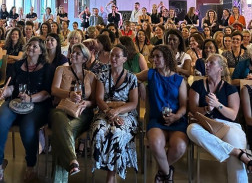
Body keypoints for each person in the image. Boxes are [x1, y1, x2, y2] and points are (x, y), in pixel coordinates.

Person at [0, 37, 52, 182]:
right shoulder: (17, 65)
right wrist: (2, 92)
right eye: (30, 45)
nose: (31, 48)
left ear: (41, 51)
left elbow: (46, 93)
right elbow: (11, 86)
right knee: (0, 121)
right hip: (16, 102)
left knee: (27, 126)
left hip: (38, 104)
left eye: (35, 46)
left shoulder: (47, 68)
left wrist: (30, 98)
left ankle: (31, 165)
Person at [187, 54, 250, 182]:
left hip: (228, 126)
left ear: (220, 68)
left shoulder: (230, 88)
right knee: (191, 129)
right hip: (205, 125)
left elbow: (232, 115)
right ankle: (237, 152)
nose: (207, 65)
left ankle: (236, 153)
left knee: (235, 150)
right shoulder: (197, 85)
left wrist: (217, 105)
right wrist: (206, 109)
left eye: (211, 63)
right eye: (207, 62)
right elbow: (193, 110)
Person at [136, 45, 188, 182]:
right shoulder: (150, 74)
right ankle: (167, 175)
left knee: (180, 146)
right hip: (157, 120)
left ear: (167, 58)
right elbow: (132, 78)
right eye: (153, 57)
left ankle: (161, 172)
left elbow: (184, 106)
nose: (154, 59)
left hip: (176, 119)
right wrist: (140, 84)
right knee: (155, 143)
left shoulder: (179, 80)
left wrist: (176, 116)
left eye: (158, 56)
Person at [91, 44, 139, 182]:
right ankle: (103, 167)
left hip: (126, 114)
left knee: (117, 133)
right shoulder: (103, 75)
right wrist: (108, 111)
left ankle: (111, 176)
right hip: (104, 111)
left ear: (124, 59)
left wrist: (117, 110)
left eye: (117, 56)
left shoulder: (131, 78)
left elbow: (133, 103)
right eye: (112, 55)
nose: (113, 58)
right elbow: (99, 99)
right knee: (99, 130)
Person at [50, 43, 97, 181]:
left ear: (84, 59)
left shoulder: (90, 76)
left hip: (82, 113)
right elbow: (54, 90)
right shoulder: (61, 70)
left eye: (77, 53)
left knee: (62, 133)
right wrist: (69, 94)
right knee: (59, 120)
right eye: (72, 52)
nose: (73, 55)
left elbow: (94, 101)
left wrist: (86, 103)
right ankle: (72, 160)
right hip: (61, 109)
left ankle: (67, 169)